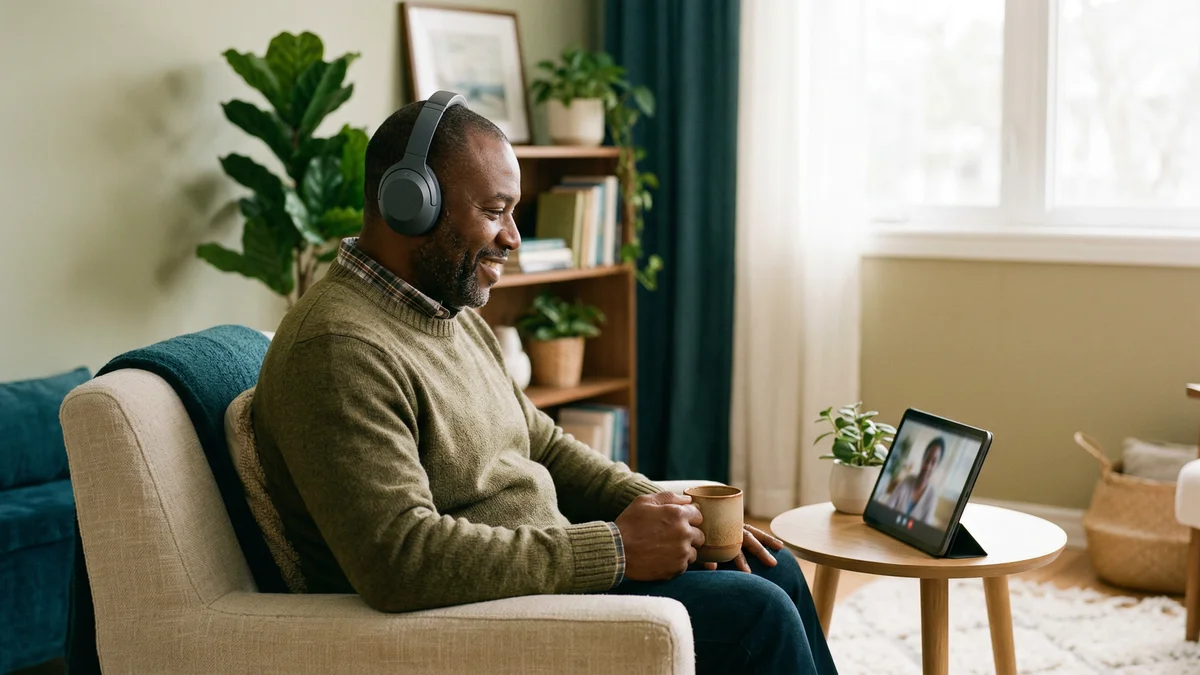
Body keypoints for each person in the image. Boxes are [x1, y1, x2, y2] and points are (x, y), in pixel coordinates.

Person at [251, 98, 838, 675]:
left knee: (770, 569)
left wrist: (666, 510)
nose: (513, 237)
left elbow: (543, 443)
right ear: (410, 205)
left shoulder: (447, 315)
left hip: (545, 570)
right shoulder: (338, 350)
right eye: (494, 210)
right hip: (489, 615)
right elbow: (399, 558)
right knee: (754, 613)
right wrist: (615, 548)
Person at [885, 437, 946, 524]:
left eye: (933, 462)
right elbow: (888, 507)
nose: (928, 466)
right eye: (927, 459)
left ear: (936, 466)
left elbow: (924, 528)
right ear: (923, 459)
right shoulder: (907, 481)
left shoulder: (932, 495)